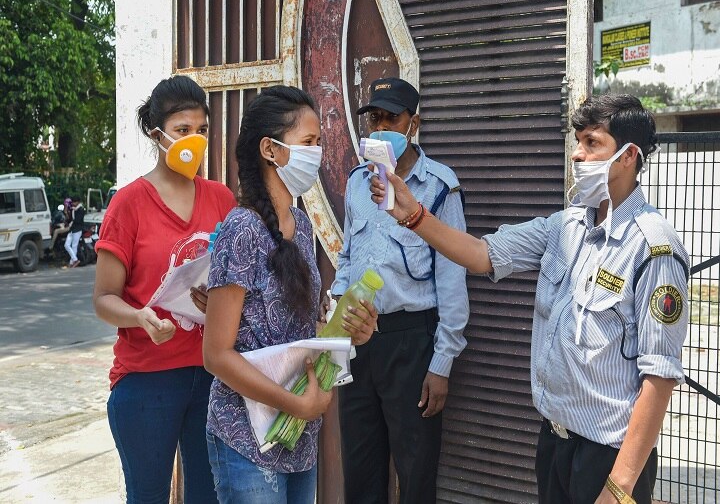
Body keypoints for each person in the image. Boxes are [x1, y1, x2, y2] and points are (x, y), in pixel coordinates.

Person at [369, 94, 689, 504]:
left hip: (607, 456)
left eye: (592, 143)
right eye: (578, 141)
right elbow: (482, 255)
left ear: (627, 156)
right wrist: (412, 214)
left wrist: (620, 486)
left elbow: (659, 377)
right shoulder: (565, 225)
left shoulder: (654, 248)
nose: (577, 153)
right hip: (555, 441)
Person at [202, 85, 378, 504]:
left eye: (319, 142)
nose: (317, 153)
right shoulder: (242, 230)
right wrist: (295, 404)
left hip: (298, 435)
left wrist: (351, 332)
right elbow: (216, 354)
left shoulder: (301, 225)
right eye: (309, 142)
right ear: (270, 149)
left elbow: (304, 328)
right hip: (247, 437)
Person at [93, 75, 237, 504]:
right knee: (148, 496)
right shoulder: (129, 203)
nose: (193, 140)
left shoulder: (222, 199)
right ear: (157, 135)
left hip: (213, 374)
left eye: (201, 130)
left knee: (208, 496)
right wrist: (139, 316)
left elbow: (237, 283)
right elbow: (103, 298)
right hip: (145, 380)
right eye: (182, 131)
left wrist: (220, 303)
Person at [331, 77, 469, 504]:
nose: (380, 126)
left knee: (415, 472)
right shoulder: (358, 182)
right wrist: (336, 320)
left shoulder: (439, 185)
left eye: (392, 117)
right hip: (357, 340)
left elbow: (452, 276)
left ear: (414, 124)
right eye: (375, 118)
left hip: (411, 343)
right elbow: (348, 255)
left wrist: (441, 362)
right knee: (361, 471)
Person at [64, 196, 85, 268]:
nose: (73, 204)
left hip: (77, 229)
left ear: (78, 202)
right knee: (67, 245)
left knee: (74, 246)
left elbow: (78, 220)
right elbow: (69, 219)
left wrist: (72, 222)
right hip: (72, 229)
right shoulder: (73, 210)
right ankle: (75, 260)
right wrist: (67, 212)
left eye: (74, 202)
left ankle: (72, 262)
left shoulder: (81, 209)